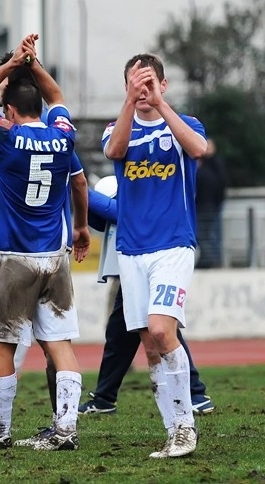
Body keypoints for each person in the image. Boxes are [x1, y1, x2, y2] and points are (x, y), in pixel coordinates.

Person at [0, 33, 89, 451]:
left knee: (2, 345)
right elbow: (56, 93)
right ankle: (66, 428)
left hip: (15, 257)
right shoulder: (63, 135)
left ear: (11, 110)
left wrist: (13, 61)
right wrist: (32, 63)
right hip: (55, 258)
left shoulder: (6, 136)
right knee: (60, 345)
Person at [103, 53, 207, 458]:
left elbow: (198, 149)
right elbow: (115, 151)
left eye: (149, 83)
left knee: (163, 331)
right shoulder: (119, 127)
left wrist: (160, 106)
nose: (143, 90)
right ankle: (172, 430)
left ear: (163, 86)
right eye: (135, 83)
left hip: (173, 245)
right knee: (149, 345)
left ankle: (186, 427)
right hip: (131, 251)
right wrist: (131, 102)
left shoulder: (186, 126)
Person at [78, 177, 215, 416]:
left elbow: (115, 211)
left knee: (161, 328)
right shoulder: (126, 188)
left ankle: (194, 393)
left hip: (150, 266)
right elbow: (100, 220)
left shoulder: (142, 195)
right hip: (131, 270)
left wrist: (76, 185)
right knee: (120, 333)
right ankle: (104, 398)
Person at [195, 138, 227, 268]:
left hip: (210, 206)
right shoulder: (200, 164)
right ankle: (207, 260)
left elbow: (221, 185)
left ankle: (209, 260)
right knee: (203, 235)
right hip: (202, 206)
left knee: (206, 235)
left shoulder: (214, 165)